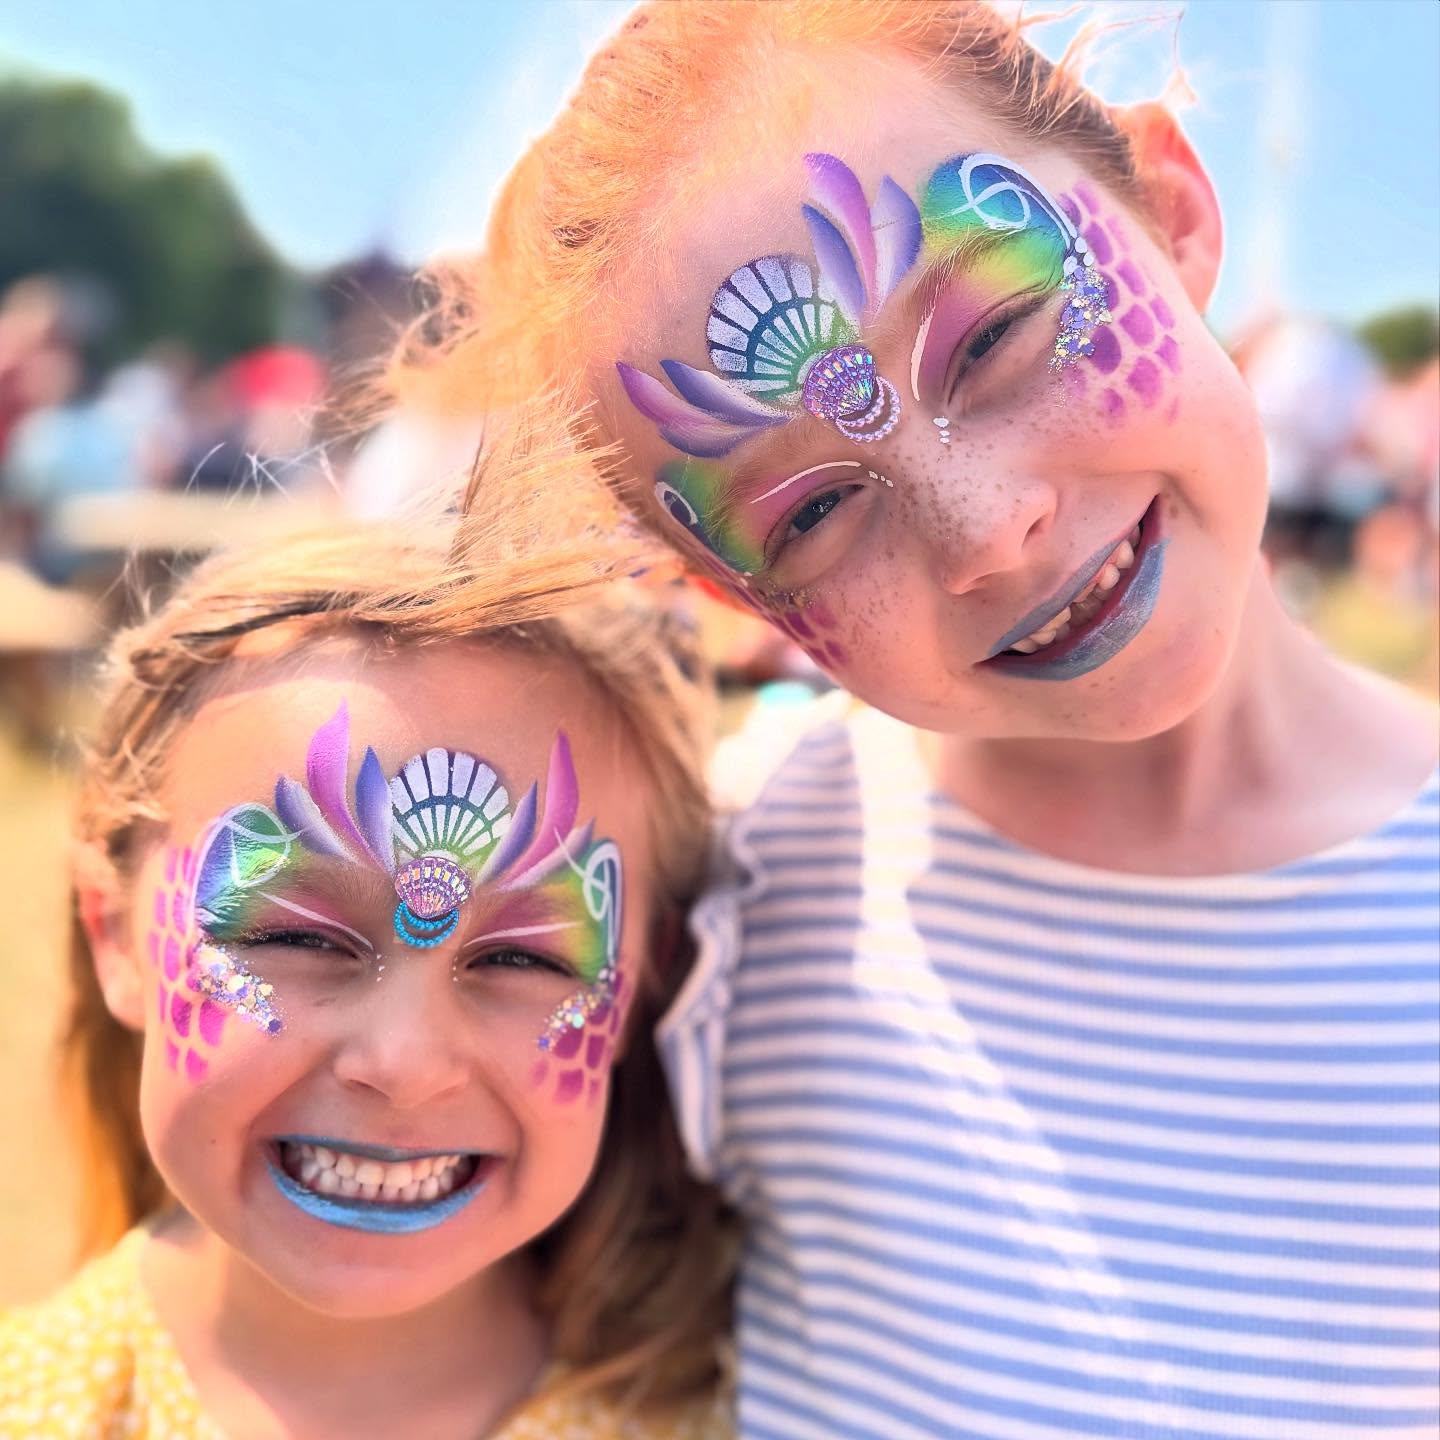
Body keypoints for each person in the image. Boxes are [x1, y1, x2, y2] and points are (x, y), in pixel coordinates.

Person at [388, 3, 1440, 1436]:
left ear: (1176, 214)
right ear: (739, 595)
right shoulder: (734, 891)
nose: (988, 530)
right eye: (811, 510)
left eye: (1001, 331)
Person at [0, 466, 734, 1439]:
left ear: (645, 974)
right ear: (115, 935)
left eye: (524, 961)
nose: (403, 1062)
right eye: (295, 937)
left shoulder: (747, 1406)